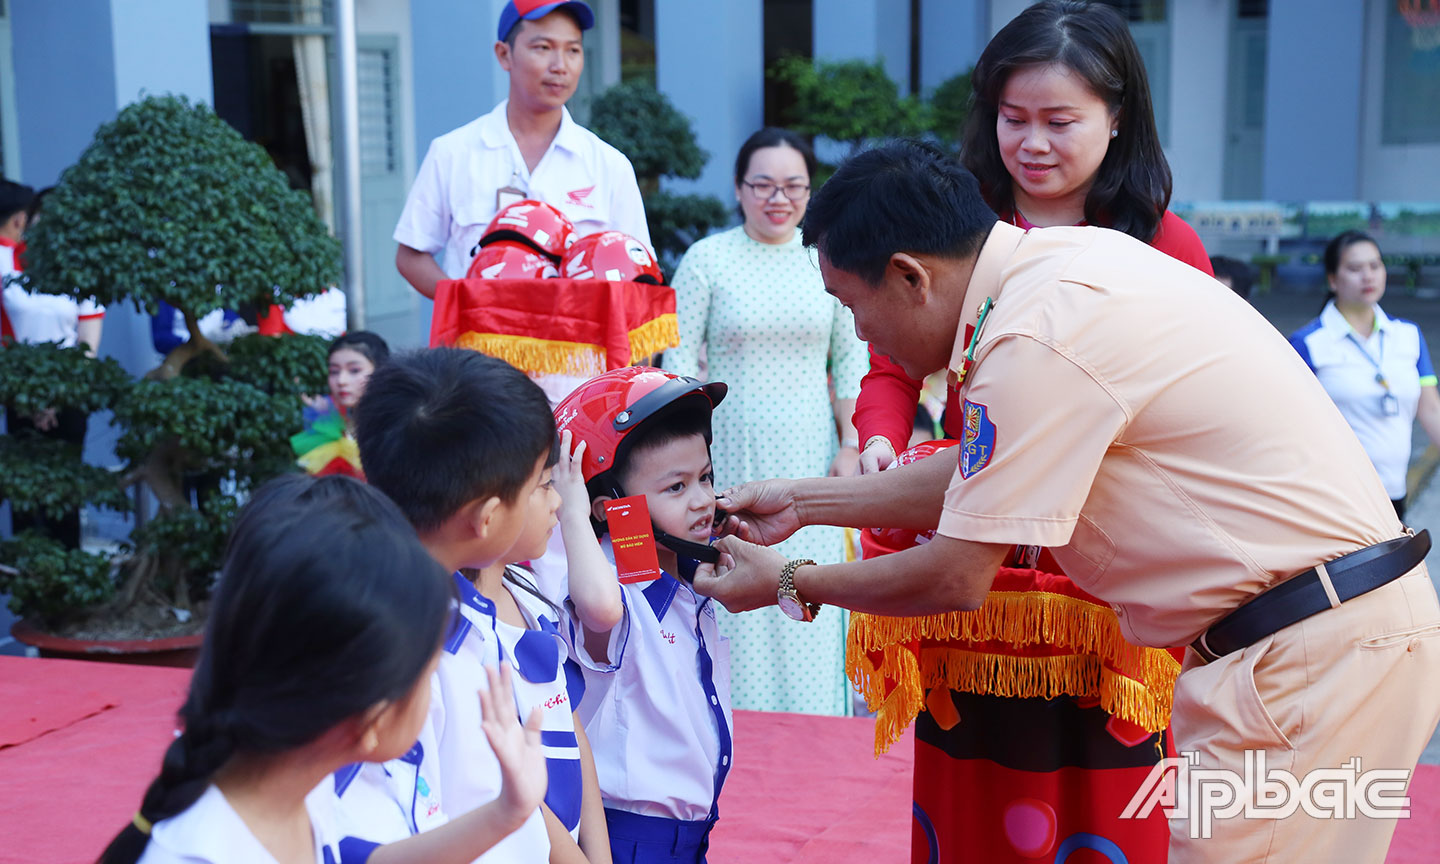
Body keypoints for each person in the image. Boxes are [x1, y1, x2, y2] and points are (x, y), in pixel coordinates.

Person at [694, 140, 1440, 863]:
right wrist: (805, 501)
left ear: (910, 277)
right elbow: (988, 466)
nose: (863, 335)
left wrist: (788, 581)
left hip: (1310, 650)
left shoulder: (1033, 335)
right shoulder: (1061, 271)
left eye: (854, 307)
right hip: (1327, 635)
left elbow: (955, 577)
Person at [98, 473, 548, 864]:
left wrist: (506, 812)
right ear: (371, 718)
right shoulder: (207, 849)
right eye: (426, 674)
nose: (433, 691)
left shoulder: (289, 781)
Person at [853, 0, 1211, 474]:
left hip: (1109, 494)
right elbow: (894, 358)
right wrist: (880, 437)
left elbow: (1199, 391)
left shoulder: (1163, 242)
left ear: (1117, 117)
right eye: (1014, 119)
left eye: (1060, 123)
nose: (1033, 144)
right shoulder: (955, 222)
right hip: (973, 483)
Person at [352, 347, 596, 863]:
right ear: (486, 518)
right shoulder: (410, 654)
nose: (554, 500)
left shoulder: (468, 621)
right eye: (542, 484)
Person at [661, 127, 867, 715]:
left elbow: (852, 362)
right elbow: (677, 364)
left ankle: (817, 727)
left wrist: (851, 444)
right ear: (739, 188)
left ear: (811, 190)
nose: (778, 198)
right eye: (764, 184)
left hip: (811, 460)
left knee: (808, 590)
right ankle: (736, 725)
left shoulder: (826, 260)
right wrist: (685, 463)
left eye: (794, 185)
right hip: (726, 456)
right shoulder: (707, 260)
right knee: (736, 589)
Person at [541, 366, 733, 864]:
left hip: (691, 835)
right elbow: (603, 608)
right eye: (676, 487)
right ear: (610, 508)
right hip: (630, 840)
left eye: (706, 477)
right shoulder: (613, 590)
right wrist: (571, 510)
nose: (703, 500)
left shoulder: (688, 580)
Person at [393, 0, 649, 302]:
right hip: (478, 344)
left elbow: (638, 268)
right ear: (504, 54)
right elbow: (411, 254)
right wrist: (465, 302)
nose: (560, 65)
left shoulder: (608, 165)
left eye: (573, 50)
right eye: (543, 48)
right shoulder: (452, 153)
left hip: (577, 346)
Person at [1289, 230, 1440, 519]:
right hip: (1336, 499)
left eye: (1375, 265)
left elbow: (1431, 408)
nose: (1368, 276)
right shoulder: (1308, 344)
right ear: (1333, 279)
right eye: (1355, 268)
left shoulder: (1408, 335)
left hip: (1394, 493)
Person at [1, 179, 104, 550]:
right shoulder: (9, 267)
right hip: (19, 392)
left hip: (68, 395)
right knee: (25, 494)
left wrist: (59, 395)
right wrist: (28, 396)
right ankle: (30, 585)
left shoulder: (82, 272)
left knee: (65, 491)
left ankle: (69, 583)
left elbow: (87, 345)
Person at [292, 331, 391, 479]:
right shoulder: (327, 421)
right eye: (334, 371)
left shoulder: (398, 421)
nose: (341, 381)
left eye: (354, 370)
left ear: (380, 371)